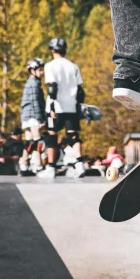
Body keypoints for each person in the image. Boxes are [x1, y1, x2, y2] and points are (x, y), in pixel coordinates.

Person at [39, 38, 86, 179]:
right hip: (71, 107)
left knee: (51, 136)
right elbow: (80, 91)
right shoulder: (73, 66)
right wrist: (78, 106)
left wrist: (52, 105)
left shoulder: (50, 66)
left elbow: (52, 87)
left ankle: (51, 168)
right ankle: (79, 164)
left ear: (52, 51)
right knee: (73, 135)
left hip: (56, 107)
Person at [19, 58, 46, 173]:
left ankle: (24, 163)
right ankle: (37, 165)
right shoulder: (34, 83)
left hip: (26, 116)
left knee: (29, 142)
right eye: (39, 70)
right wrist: (40, 119)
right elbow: (35, 102)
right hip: (33, 116)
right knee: (38, 141)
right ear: (32, 70)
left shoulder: (30, 82)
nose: (42, 72)